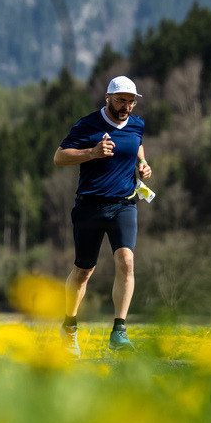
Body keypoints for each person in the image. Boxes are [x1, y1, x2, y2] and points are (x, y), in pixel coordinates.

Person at [53, 76, 152, 357]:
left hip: (124, 204)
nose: (126, 106)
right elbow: (60, 157)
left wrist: (142, 164)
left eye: (131, 101)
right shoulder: (88, 125)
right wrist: (92, 152)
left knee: (127, 261)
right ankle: (69, 328)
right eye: (121, 100)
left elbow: (137, 143)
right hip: (90, 206)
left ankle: (119, 331)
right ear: (108, 97)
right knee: (83, 271)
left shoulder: (136, 123)